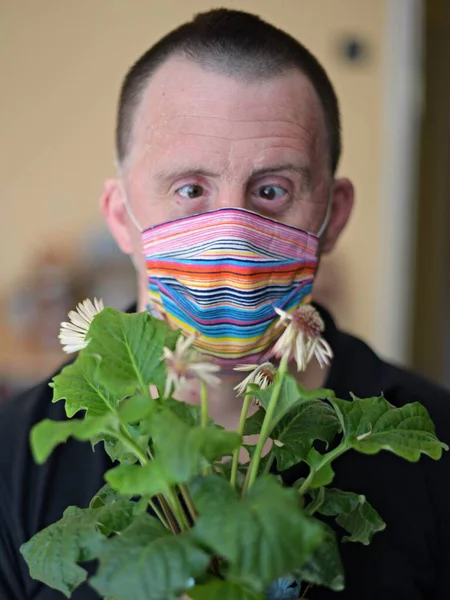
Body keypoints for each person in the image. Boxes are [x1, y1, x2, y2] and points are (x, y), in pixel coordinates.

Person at [1, 8, 449, 600]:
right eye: (190, 190)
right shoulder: (13, 460)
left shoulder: (433, 445)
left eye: (272, 191)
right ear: (120, 217)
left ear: (332, 216)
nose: (232, 235)